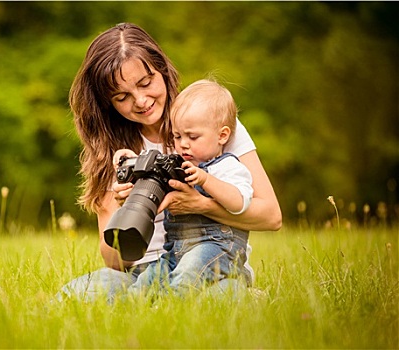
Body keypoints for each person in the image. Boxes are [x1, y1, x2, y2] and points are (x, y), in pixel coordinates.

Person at [56, 23, 281, 302]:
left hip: (209, 266)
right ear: (108, 104)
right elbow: (114, 263)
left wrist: (200, 205)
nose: (140, 100)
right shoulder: (113, 150)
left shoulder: (208, 121)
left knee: (220, 296)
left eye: (145, 82)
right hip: (144, 273)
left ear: (161, 70)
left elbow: (272, 216)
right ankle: (152, 302)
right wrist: (122, 208)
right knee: (77, 294)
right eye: (122, 97)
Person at [118, 79, 254, 296]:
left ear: (222, 135)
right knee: (147, 282)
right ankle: (131, 312)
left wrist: (205, 180)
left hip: (217, 248)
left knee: (186, 277)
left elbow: (239, 203)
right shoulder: (180, 167)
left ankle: (169, 313)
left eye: (192, 137)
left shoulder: (228, 166)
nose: (183, 144)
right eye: (177, 136)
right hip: (175, 251)